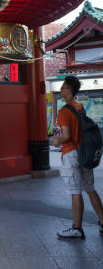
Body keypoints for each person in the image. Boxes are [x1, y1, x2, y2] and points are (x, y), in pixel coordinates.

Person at [50, 75, 103, 239]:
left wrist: (55, 141)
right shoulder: (79, 107)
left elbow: (65, 136)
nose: (61, 89)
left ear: (70, 90)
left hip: (71, 155)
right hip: (84, 153)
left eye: (64, 87)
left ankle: (77, 228)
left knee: (75, 191)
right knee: (90, 188)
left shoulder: (64, 111)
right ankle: (102, 221)